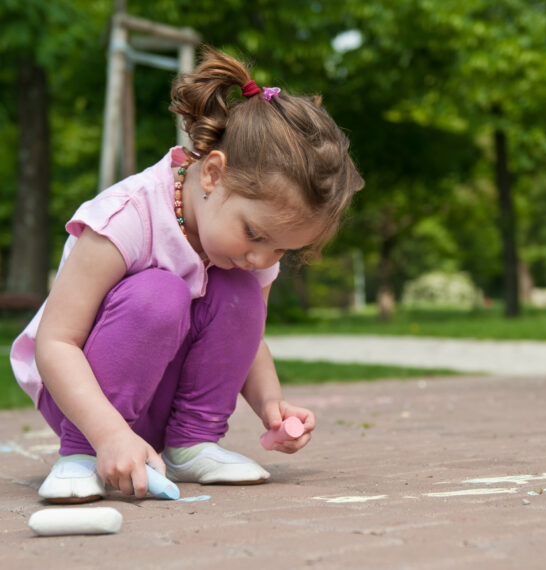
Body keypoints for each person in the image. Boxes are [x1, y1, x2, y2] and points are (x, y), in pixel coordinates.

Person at [10, 46, 364, 504]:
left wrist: (270, 404)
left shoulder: (248, 253)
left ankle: (192, 445)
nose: (263, 258)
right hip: (84, 406)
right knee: (159, 293)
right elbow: (55, 343)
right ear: (214, 174)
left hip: (160, 405)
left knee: (241, 293)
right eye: (254, 234)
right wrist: (106, 436)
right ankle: (78, 457)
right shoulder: (127, 218)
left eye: (281, 248)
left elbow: (247, 339)